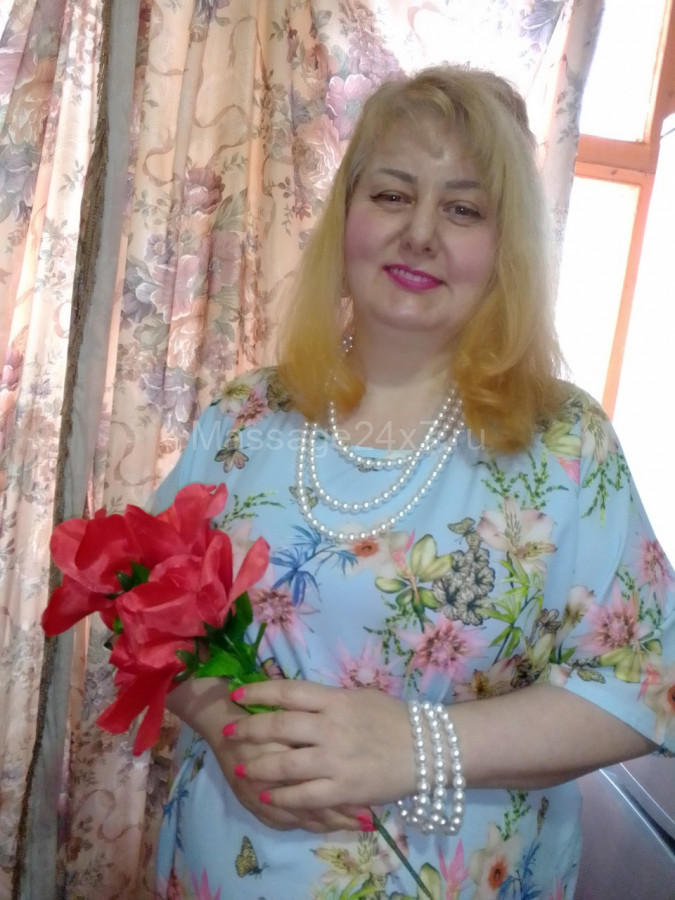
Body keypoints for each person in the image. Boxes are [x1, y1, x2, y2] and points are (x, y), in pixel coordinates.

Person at [152, 66, 674, 899]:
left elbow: (641, 688)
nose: (420, 232)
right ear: (346, 216)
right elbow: (145, 603)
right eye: (392, 195)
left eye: (463, 210)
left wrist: (419, 745)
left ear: (505, 250)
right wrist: (221, 722)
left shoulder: (565, 443)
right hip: (221, 864)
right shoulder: (246, 414)